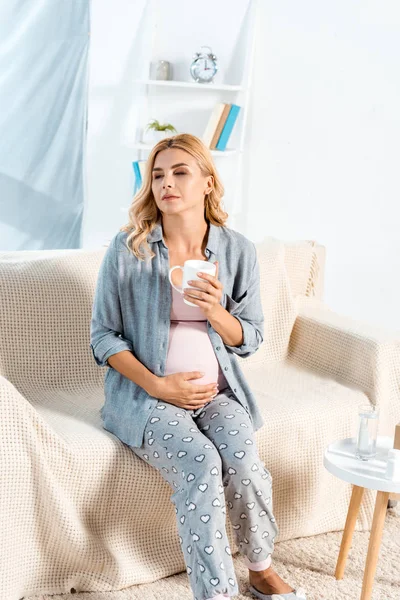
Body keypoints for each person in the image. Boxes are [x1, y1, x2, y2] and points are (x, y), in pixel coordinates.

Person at [90, 133, 306, 600]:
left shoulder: (237, 251)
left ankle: (260, 568)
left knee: (244, 463)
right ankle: (216, 594)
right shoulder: (129, 249)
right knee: (200, 462)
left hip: (220, 393)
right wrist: (159, 386)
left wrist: (216, 312)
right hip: (147, 396)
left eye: (180, 171)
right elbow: (103, 336)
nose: (167, 182)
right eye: (158, 174)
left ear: (208, 182)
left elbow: (250, 337)